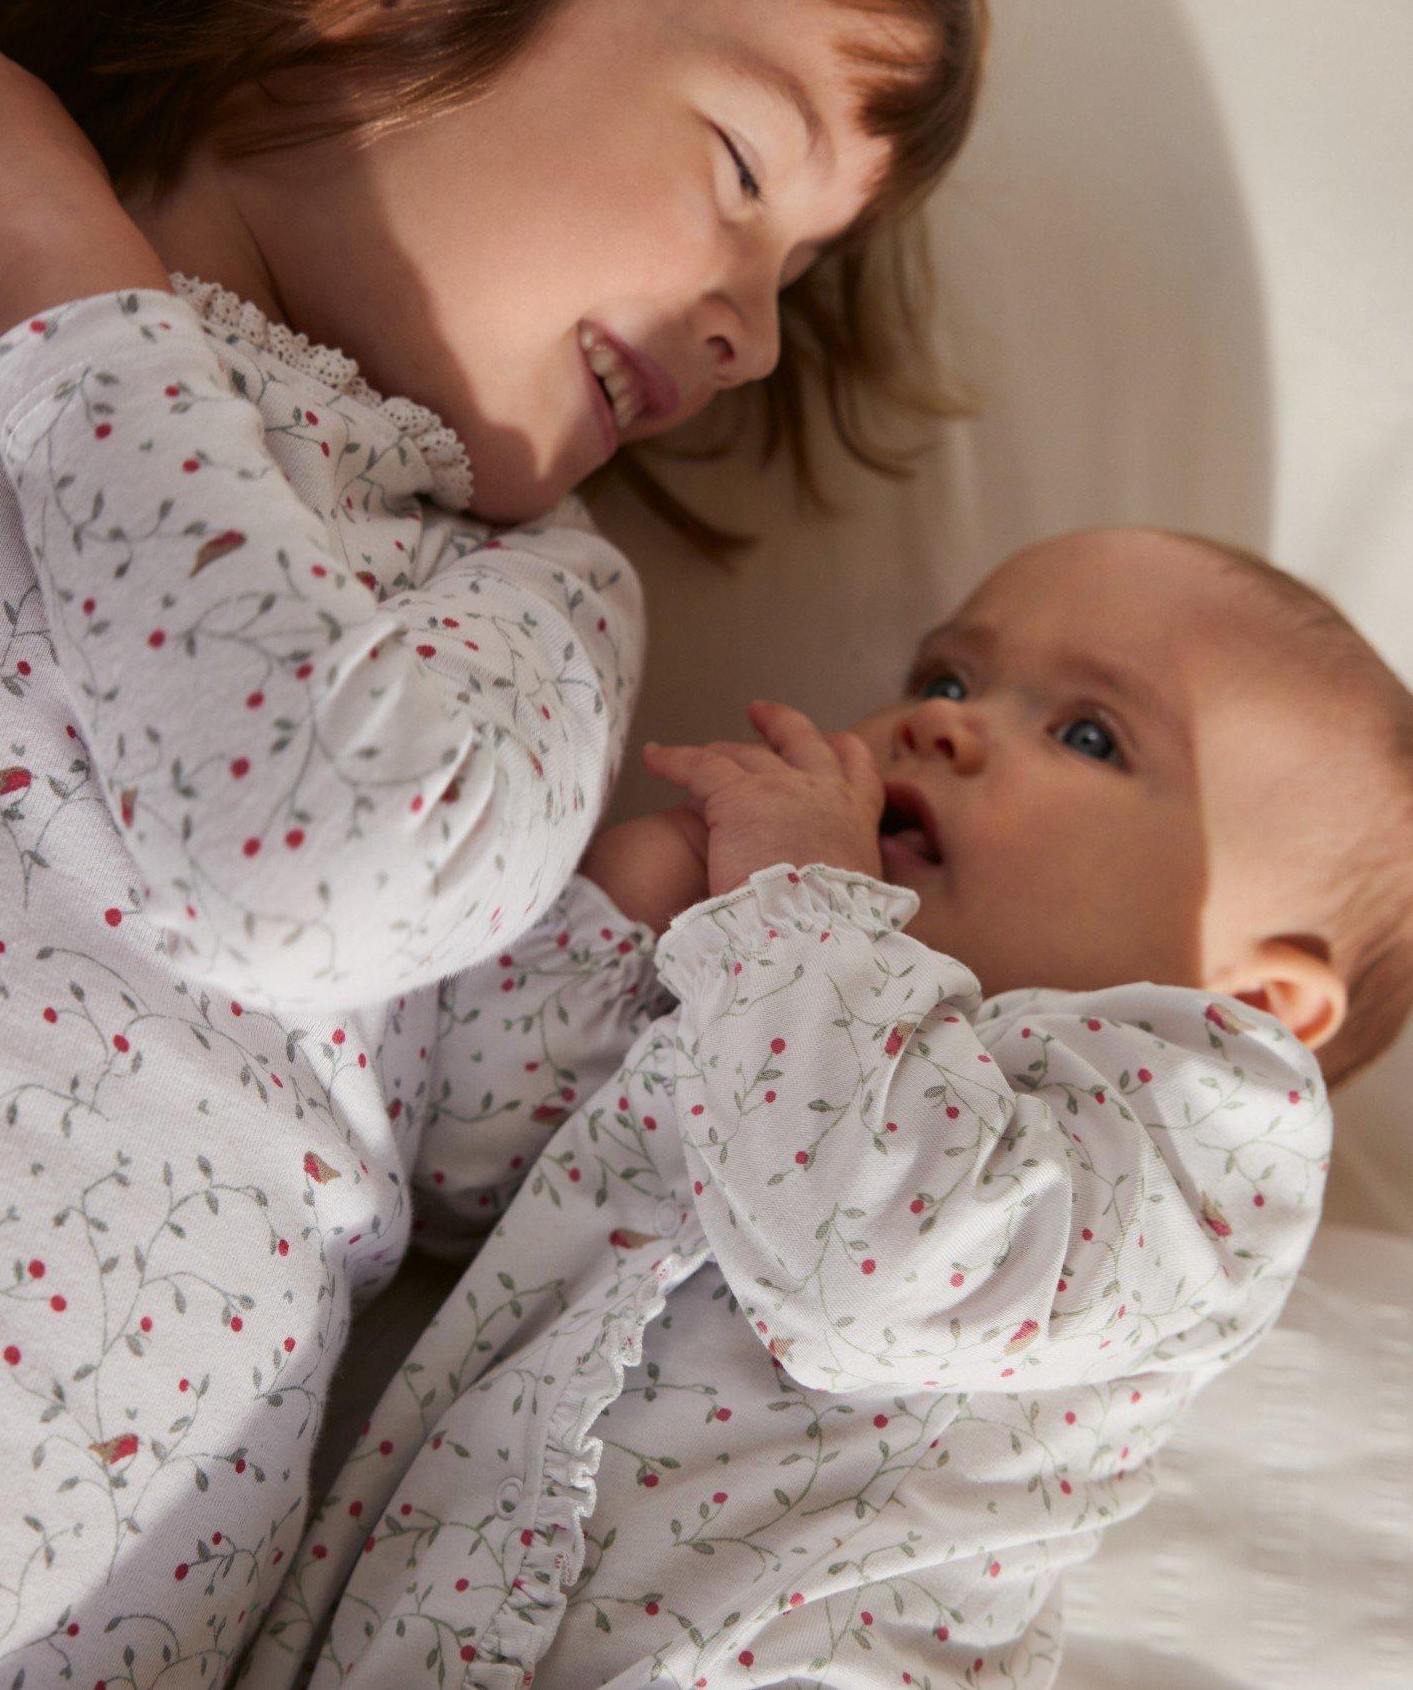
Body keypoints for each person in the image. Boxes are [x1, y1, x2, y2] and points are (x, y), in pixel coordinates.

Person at [0, 0, 983, 1682]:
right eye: (743, 168)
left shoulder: (508, 593)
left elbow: (316, 874)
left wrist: (57, 260)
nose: (753, 327)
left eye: (798, 273)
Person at [252, 527, 1412, 1690]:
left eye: (1089, 734)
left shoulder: (1209, 1118)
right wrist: (641, 888)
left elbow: (872, 1266)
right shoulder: (758, 988)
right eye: (944, 677)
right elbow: (458, 1161)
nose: (939, 723)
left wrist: (793, 901)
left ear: (1259, 994)